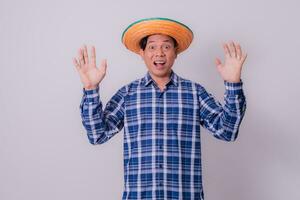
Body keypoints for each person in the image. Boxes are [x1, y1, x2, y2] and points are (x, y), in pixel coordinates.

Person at [73, 17, 247, 200]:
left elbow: (227, 131)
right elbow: (97, 135)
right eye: (152, 47)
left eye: (166, 46)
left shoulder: (195, 93)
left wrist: (233, 83)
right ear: (142, 52)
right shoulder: (127, 94)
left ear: (176, 52)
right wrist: (91, 89)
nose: (159, 53)